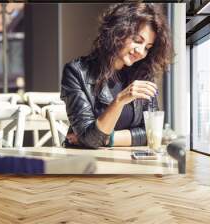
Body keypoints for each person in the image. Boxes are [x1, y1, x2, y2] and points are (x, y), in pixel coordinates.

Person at [60, 3, 173, 149]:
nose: (141, 52)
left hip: (126, 162)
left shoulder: (143, 74)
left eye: (147, 47)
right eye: (137, 41)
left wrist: (109, 138)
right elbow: (90, 140)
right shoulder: (76, 72)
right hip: (86, 164)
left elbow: (151, 132)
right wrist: (119, 101)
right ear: (118, 31)